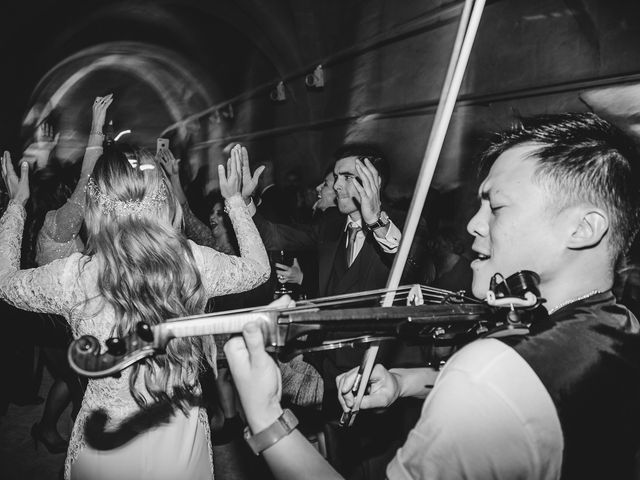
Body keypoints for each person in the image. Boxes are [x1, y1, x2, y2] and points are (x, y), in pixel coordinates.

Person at [224, 112, 640, 480]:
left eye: (496, 207)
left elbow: (492, 386)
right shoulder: (620, 322)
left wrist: (267, 418)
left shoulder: (485, 373)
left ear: (584, 228)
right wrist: (408, 382)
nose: (474, 225)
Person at [0, 144, 270, 479]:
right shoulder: (192, 262)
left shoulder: (74, 276)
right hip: (179, 431)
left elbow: (5, 283)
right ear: (163, 198)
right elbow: (259, 270)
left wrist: (15, 205)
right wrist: (235, 203)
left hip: (108, 439)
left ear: (95, 204)